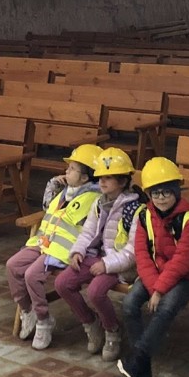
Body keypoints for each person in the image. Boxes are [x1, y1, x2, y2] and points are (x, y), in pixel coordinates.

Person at [116, 158, 189, 377]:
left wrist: (160, 290)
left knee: (165, 308)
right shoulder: (145, 216)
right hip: (154, 275)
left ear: (176, 192)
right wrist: (155, 286)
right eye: (155, 193)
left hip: (183, 278)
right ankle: (142, 374)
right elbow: (142, 254)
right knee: (129, 304)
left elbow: (183, 260)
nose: (161, 198)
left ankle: (136, 361)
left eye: (166, 192)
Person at [8, 145, 102, 350]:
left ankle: (43, 320)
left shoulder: (93, 199)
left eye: (72, 169)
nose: (66, 171)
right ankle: (28, 311)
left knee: (32, 275)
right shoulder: (65, 192)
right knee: (13, 265)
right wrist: (52, 185)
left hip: (63, 250)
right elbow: (47, 208)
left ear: (85, 177)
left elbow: (92, 231)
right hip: (44, 242)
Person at [56, 147, 141, 362]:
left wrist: (107, 264)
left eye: (108, 177)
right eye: (100, 176)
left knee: (95, 291)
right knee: (62, 283)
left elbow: (132, 251)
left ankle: (112, 330)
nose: (102, 181)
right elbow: (87, 233)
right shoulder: (98, 202)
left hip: (119, 265)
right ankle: (90, 323)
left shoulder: (135, 209)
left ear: (122, 181)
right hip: (96, 257)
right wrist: (78, 251)